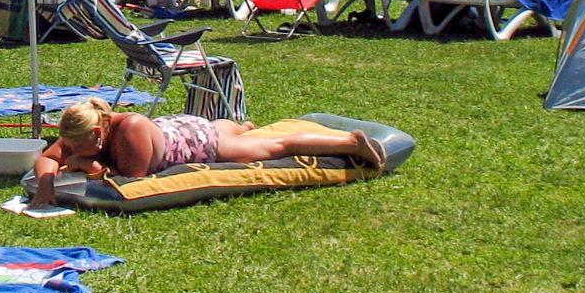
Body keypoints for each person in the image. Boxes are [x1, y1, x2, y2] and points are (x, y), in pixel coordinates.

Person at [29, 98, 384, 209]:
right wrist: (47, 183)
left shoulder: (130, 129)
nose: (69, 150)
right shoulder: (89, 131)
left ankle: (349, 143)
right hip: (177, 127)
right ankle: (240, 125)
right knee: (230, 130)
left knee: (276, 146)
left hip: (194, 141)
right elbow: (49, 156)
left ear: (95, 134)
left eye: (76, 145)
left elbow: (134, 180)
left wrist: (87, 166)